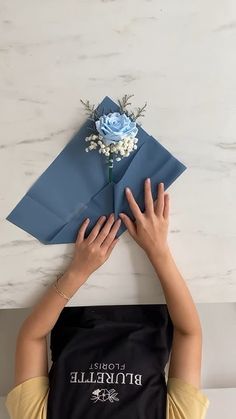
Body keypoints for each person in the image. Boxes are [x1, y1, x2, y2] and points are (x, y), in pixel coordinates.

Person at [5, 179, 210, 419]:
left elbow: (32, 337)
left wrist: (77, 272)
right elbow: (189, 332)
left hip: (77, 275)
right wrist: (158, 251)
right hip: (145, 280)